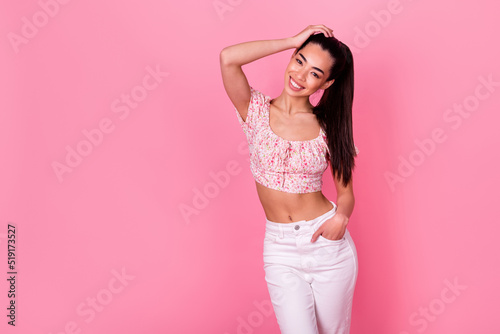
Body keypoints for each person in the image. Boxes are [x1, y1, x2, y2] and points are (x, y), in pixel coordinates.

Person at [220, 24, 359, 334]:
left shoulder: (329, 128)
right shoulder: (254, 111)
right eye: (299, 61)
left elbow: (346, 193)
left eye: (314, 73)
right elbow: (228, 58)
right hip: (280, 248)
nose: (300, 76)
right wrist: (291, 41)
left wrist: (342, 217)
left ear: (327, 82)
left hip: (326, 244)